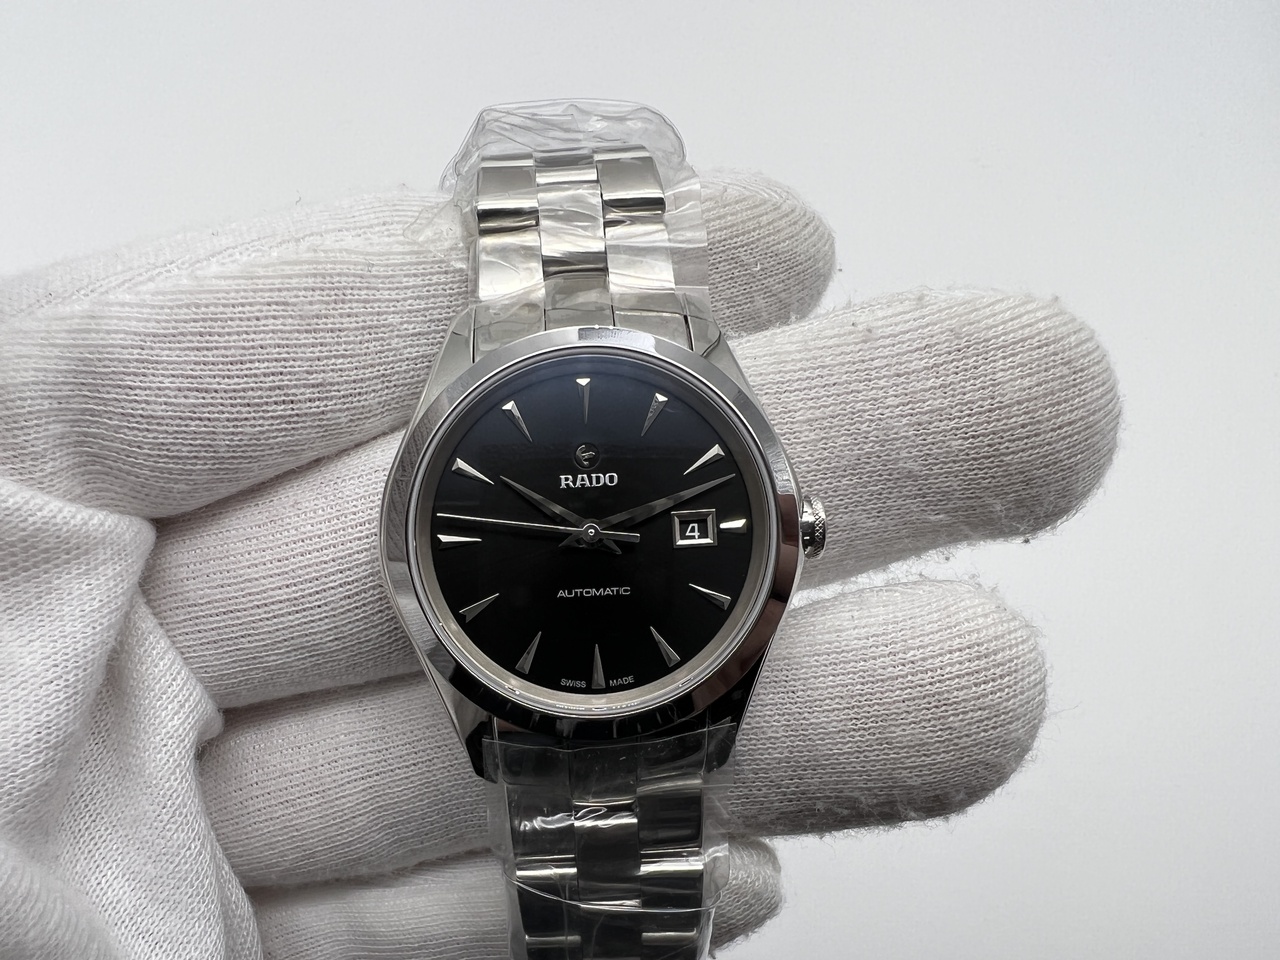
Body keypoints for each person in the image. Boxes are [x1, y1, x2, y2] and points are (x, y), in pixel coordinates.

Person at [0, 170, 1120, 959]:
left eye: (605, 524)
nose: (589, 535)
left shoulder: (699, 487)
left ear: (796, 526)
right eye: (564, 523)